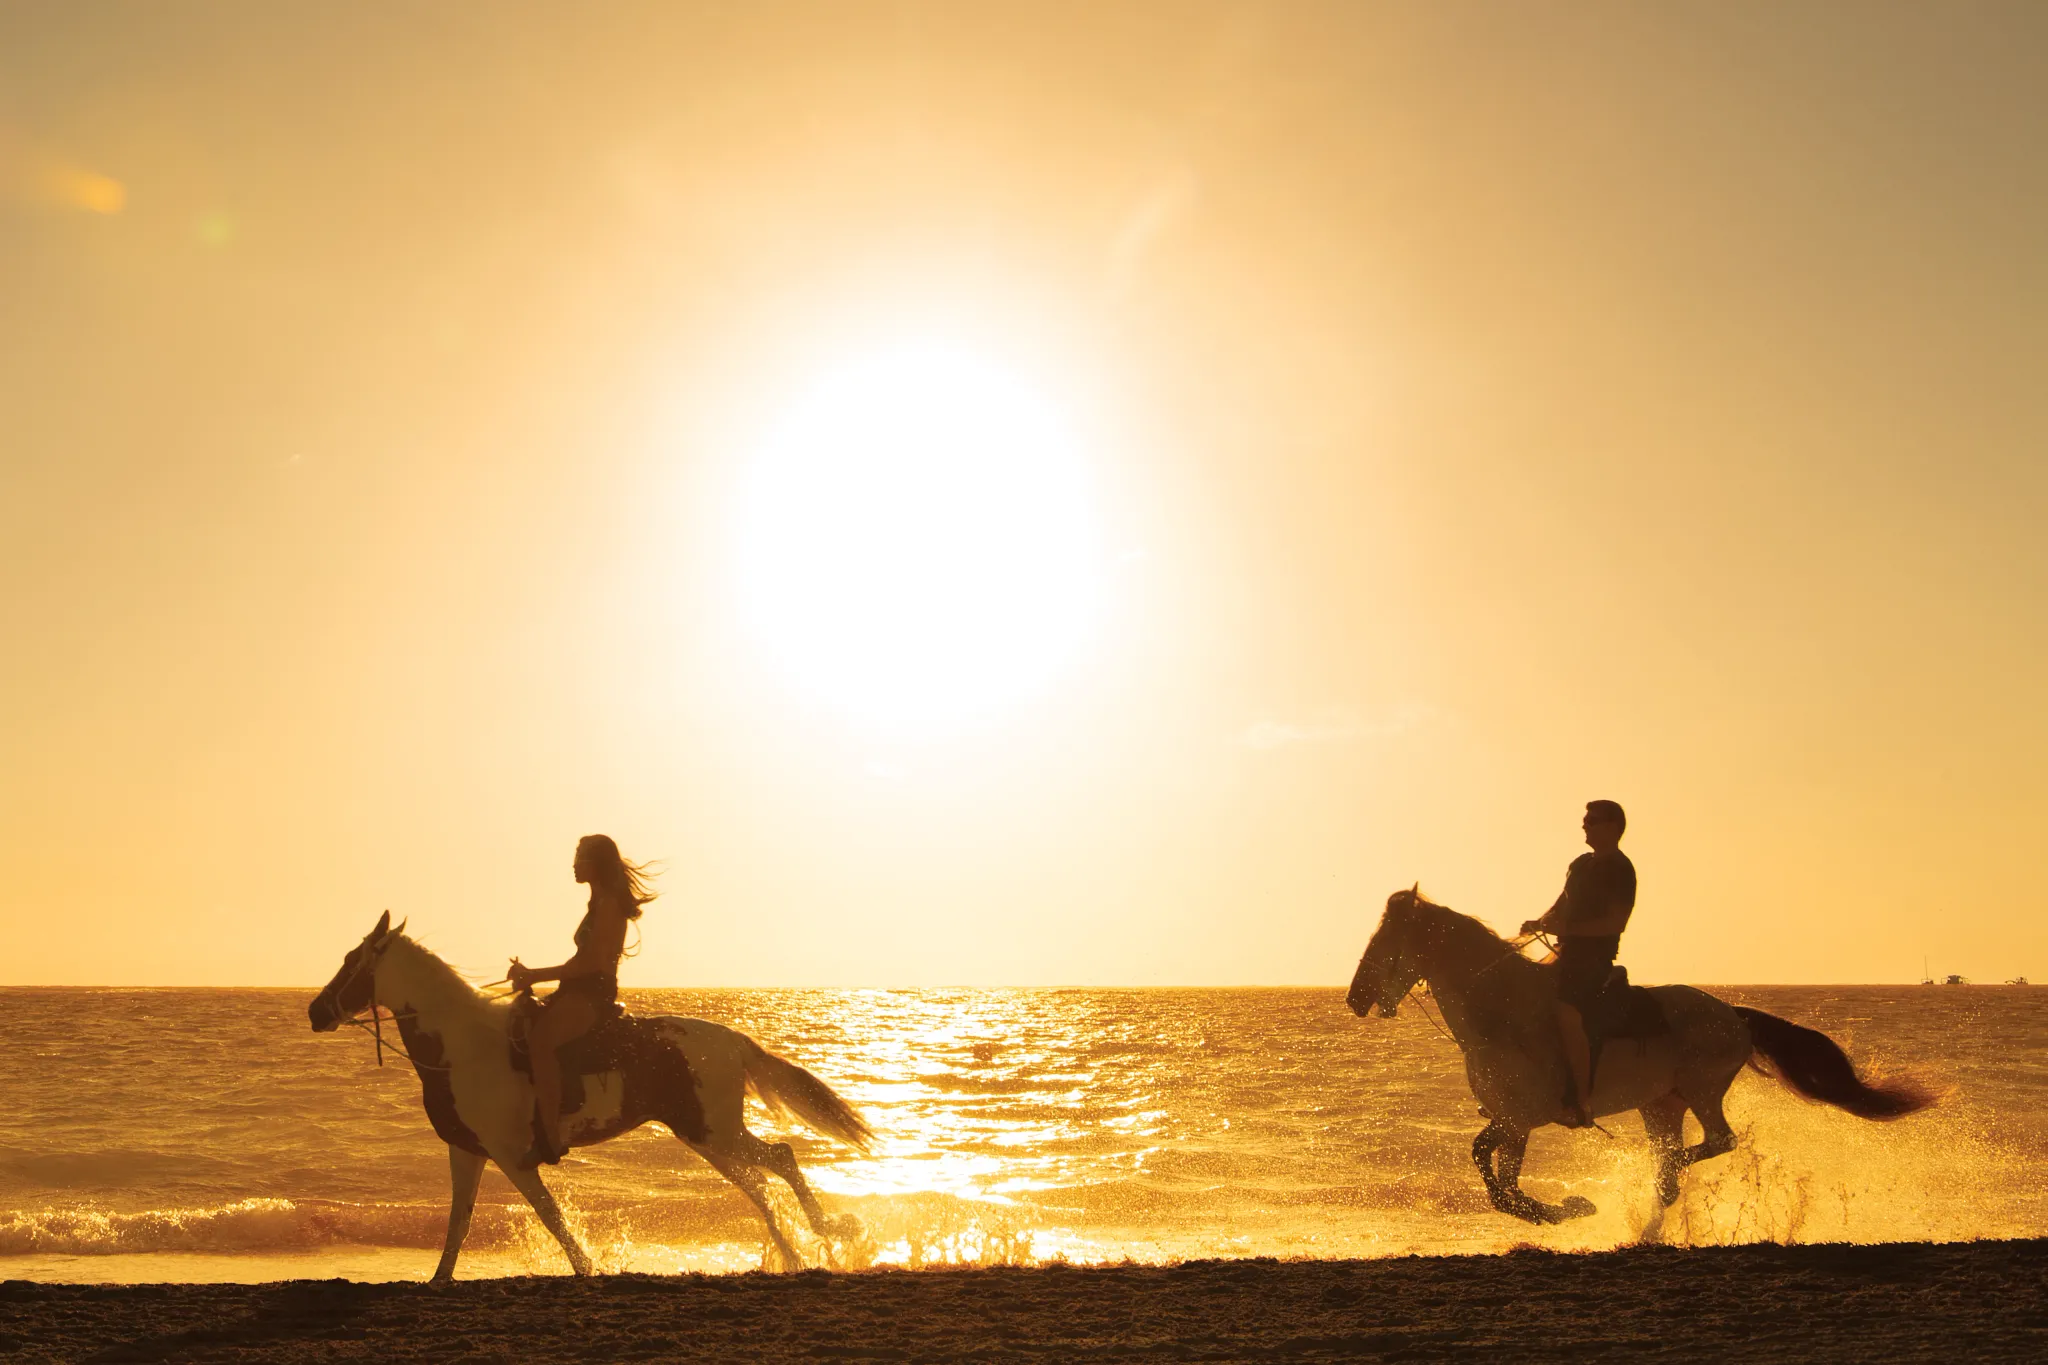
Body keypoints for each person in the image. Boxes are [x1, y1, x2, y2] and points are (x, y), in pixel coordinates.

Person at [508, 834, 656, 1165]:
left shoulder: (609, 905)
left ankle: (549, 1136)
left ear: (596, 864)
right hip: (579, 989)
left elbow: (591, 963)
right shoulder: (598, 903)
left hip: (593, 993)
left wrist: (533, 975)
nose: (574, 865)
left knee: (541, 1043)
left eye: (580, 858)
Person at [1521, 800, 1635, 1129]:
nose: (1585, 826)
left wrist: (1565, 929)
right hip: (1564, 952)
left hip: (1594, 959)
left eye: (1593, 821)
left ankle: (1580, 1100)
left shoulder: (1621, 869)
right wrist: (1539, 922)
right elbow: (1558, 907)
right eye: (1585, 821)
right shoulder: (1580, 864)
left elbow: (1615, 923)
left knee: (1565, 1011)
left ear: (1614, 827)